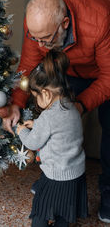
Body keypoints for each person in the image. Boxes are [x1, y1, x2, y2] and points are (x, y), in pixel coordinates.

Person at [3, 0, 110, 223]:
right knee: (54, 121)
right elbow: (29, 66)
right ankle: (52, 178)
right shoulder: (37, 25)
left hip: (104, 72)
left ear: (65, 24)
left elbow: (108, 76)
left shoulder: (101, 19)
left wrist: (79, 106)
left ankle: (109, 192)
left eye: (46, 39)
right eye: (35, 38)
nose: (40, 45)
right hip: (69, 72)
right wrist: (16, 104)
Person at [16, 50, 88, 227]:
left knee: (41, 208)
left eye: (36, 97)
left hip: (56, 176)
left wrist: (21, 131)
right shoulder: (72, 107)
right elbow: (59, 128)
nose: (36, 102)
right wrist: (37, 123)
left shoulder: (47, 117)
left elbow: (33, 142)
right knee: (65, 210)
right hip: (75, 173)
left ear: (46, 94)